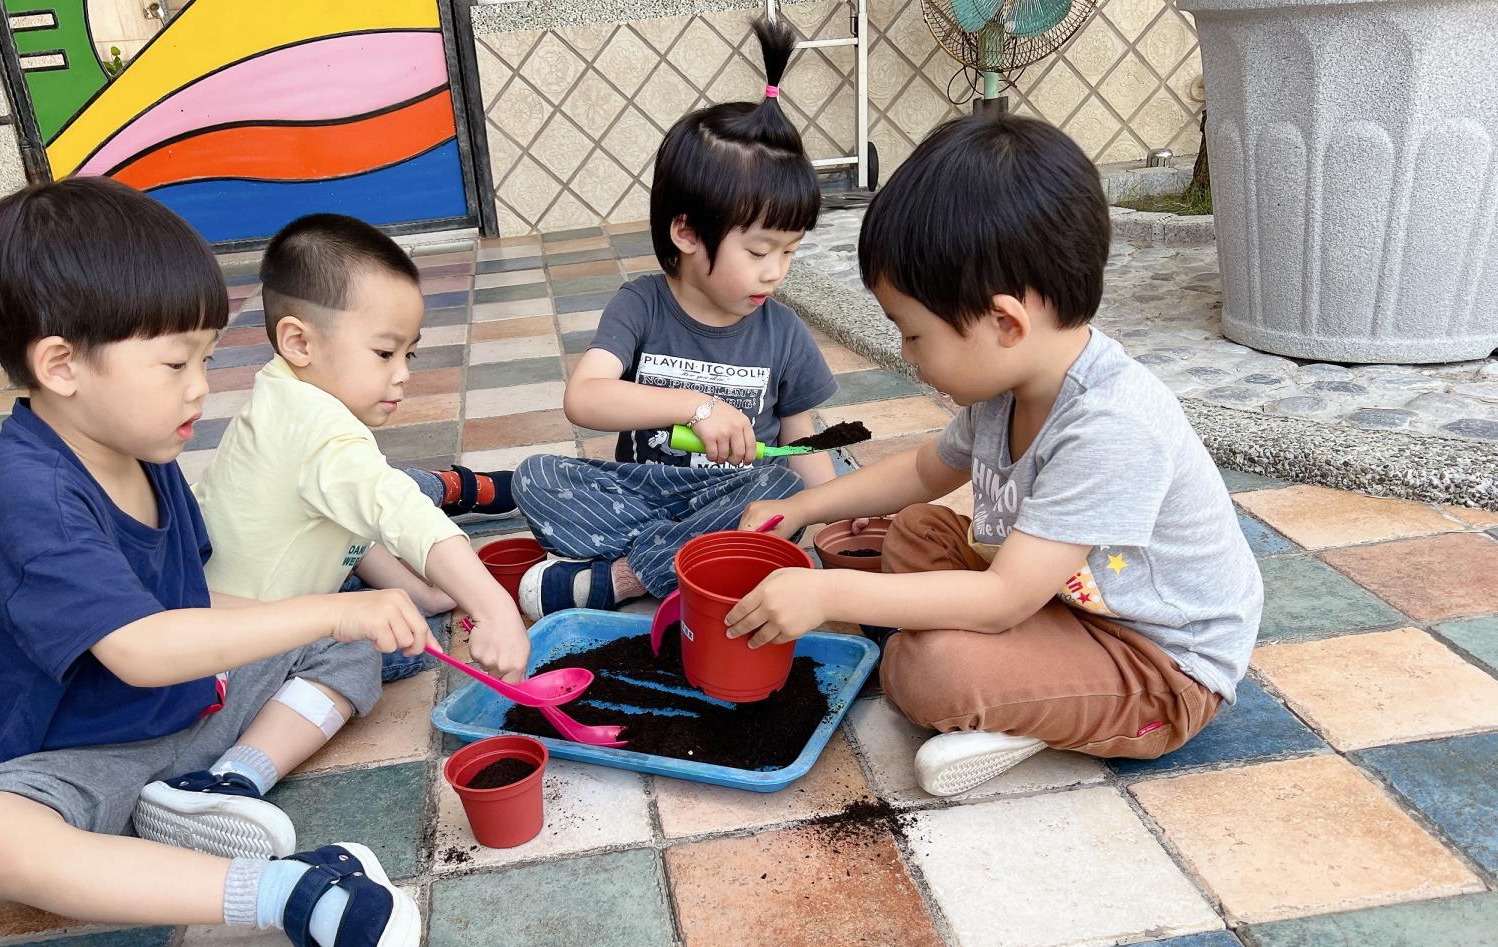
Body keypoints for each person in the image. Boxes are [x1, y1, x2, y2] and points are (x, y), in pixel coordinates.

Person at [0, 177, 424, 947]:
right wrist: (334, 606)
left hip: (188, 717)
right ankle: (290, 892)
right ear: (61, 365)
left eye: (206, 357)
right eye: (175, 362)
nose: (201, 385)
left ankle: (228, 784)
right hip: (70, 762)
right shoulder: (31, 498)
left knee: (338, 646)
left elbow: (191, 604)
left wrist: (337, 620)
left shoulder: (145, 451)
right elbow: (143, 649)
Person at [727, 114, 1263, 797]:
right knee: (916, 531)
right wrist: (803, 505)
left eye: (914, 335)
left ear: (1005, 323)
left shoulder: (1113, 425)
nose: (907, 356)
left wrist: (827, 592)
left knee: (929, 672)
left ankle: (1032, 714)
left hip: (1158, 664)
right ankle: (1031, 687)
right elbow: (922, 472)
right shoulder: (1009, 387)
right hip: (1063, 604)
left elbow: (1004, 597)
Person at [508, 16, 838, 618]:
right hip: (642, 492)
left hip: (734, 495)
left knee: (785, 491)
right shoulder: (641, 304)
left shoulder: (784, 332)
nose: (774, 272)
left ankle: (624, 577)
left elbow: (801, 440)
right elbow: (585, 398)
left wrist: (838, 513)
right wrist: (697, 407)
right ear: (685, 232)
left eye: (789, 252)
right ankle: (692, 561)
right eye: (758, 251)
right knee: (534, 476)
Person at [194, 213, 529, 681]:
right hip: (245, 655)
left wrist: (425, 593)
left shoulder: (283, 395)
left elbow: (350, 525)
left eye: (408, 354)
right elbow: (398, 511)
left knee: (402, 604)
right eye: (384, 353)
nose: (403, 373)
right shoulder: (321, 430)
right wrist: (495, 609)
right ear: (299, 342)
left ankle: (452, 499)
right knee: (399, 650)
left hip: (234, 608)